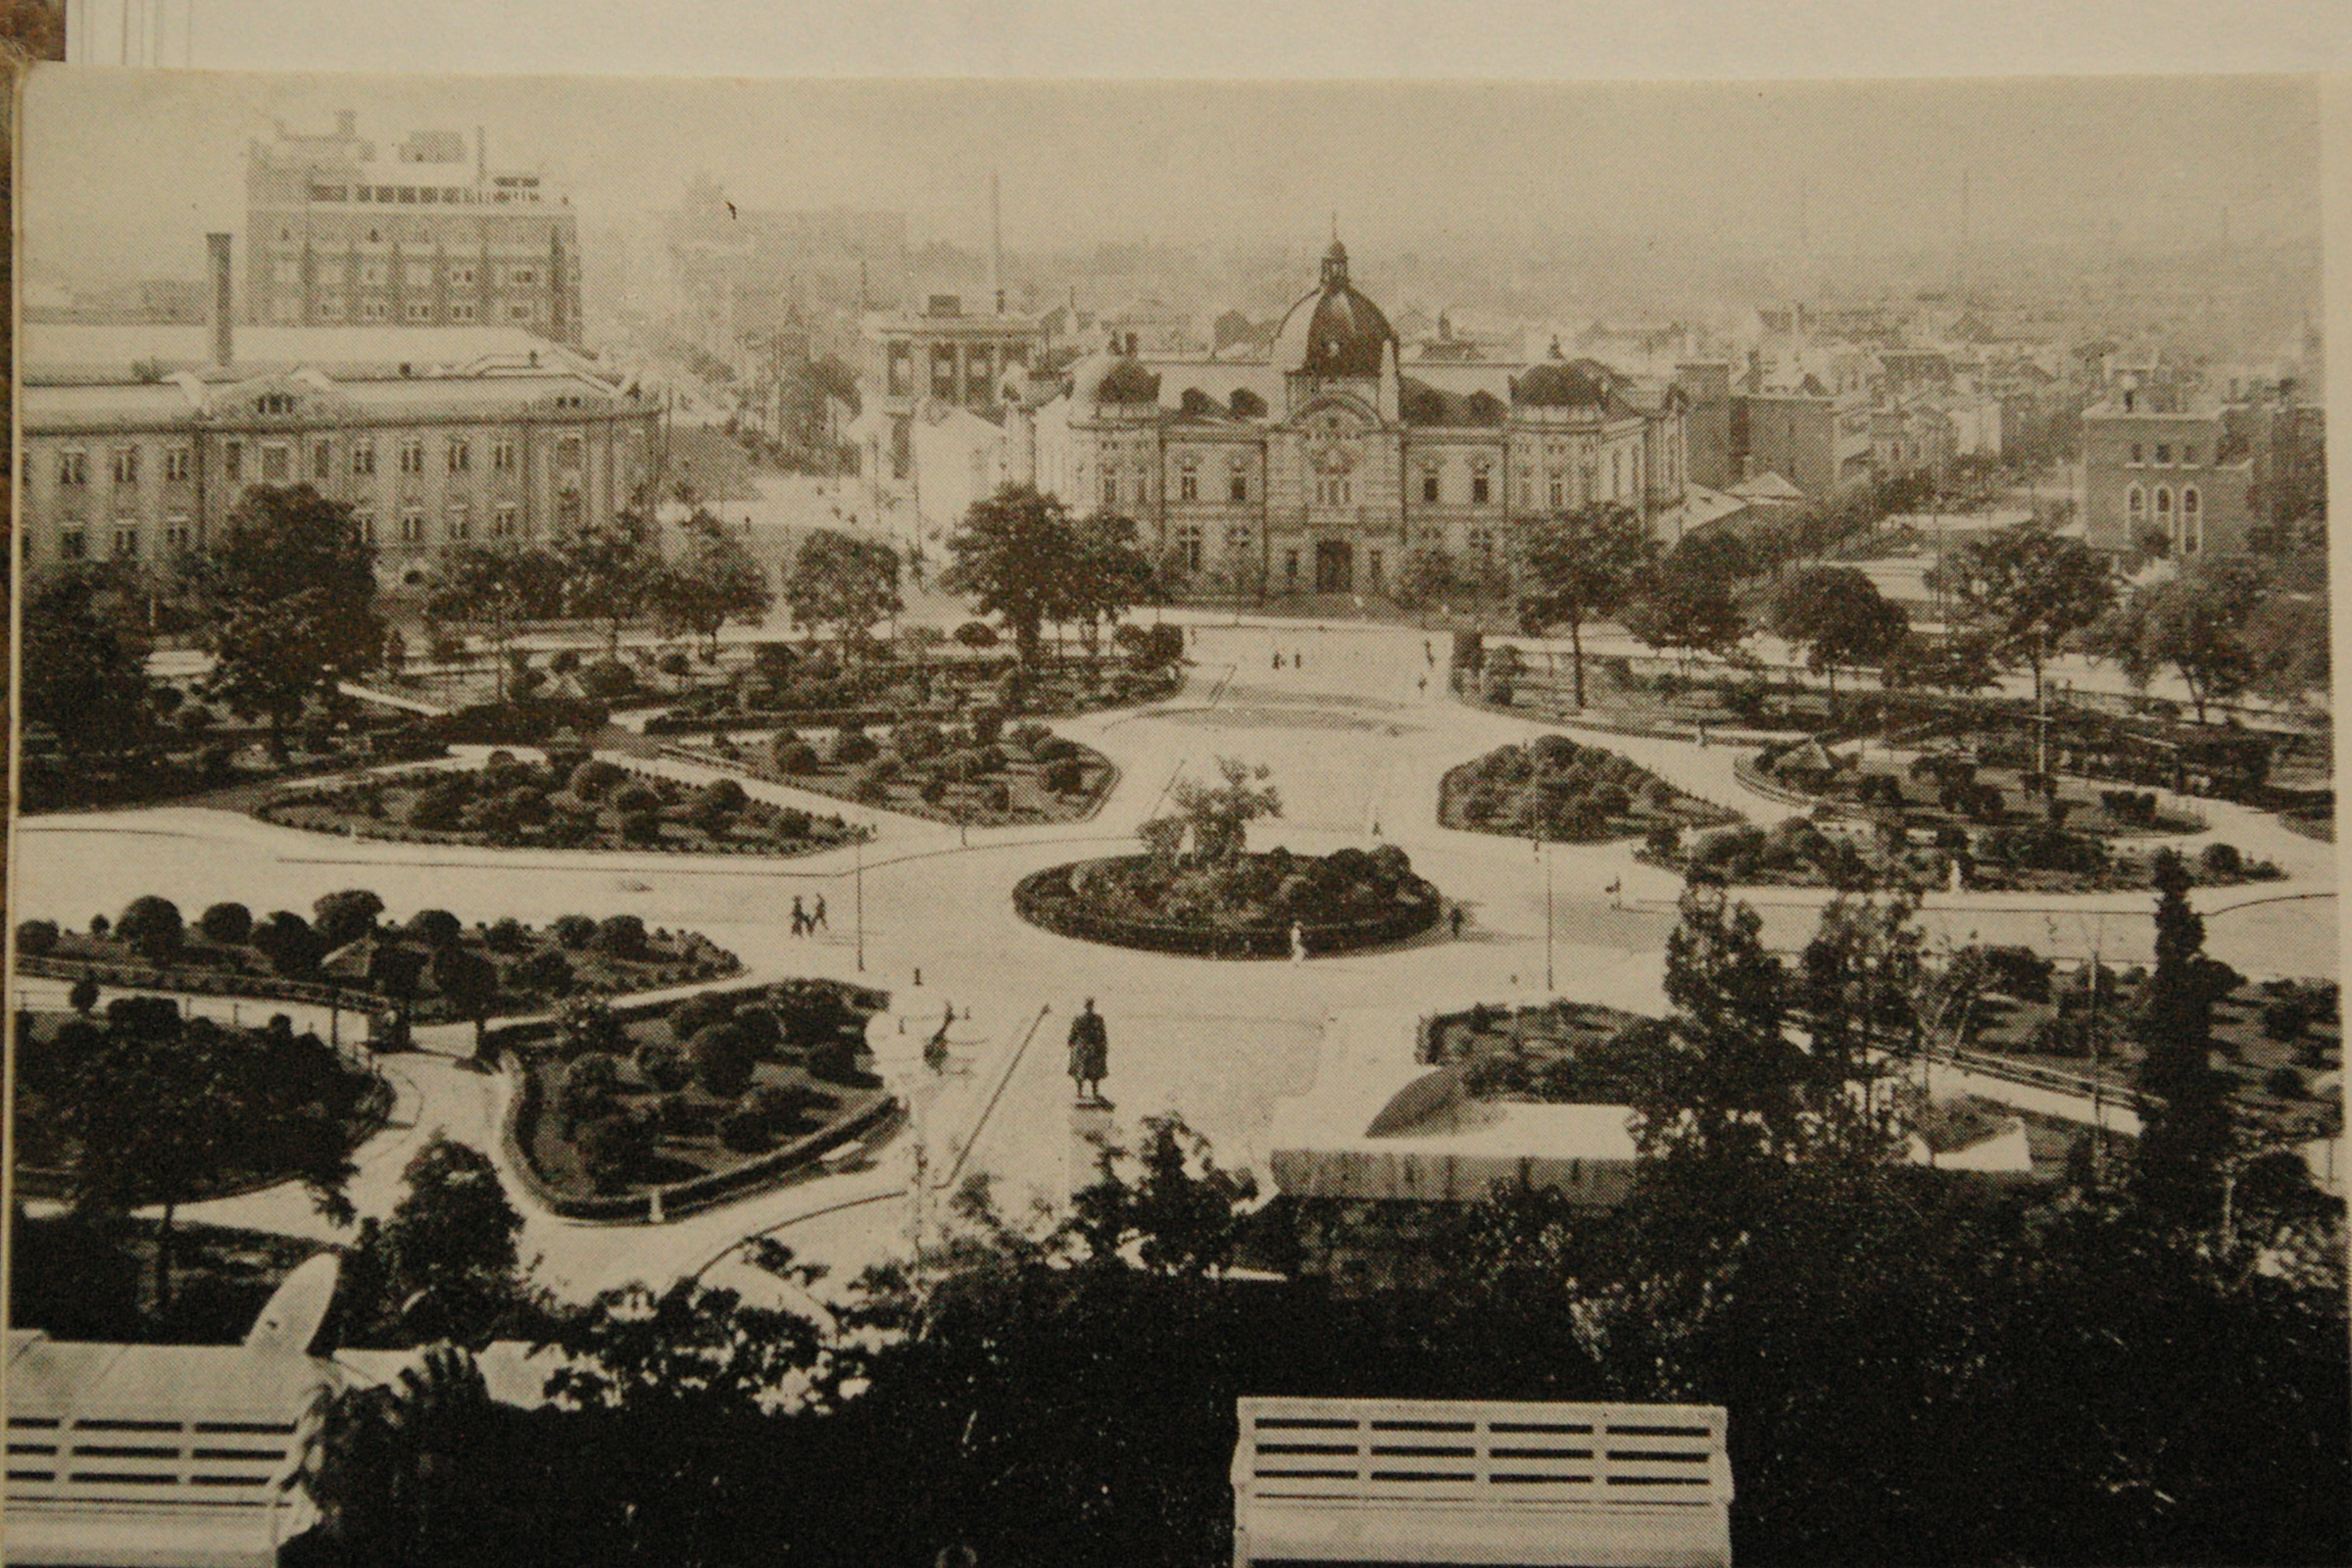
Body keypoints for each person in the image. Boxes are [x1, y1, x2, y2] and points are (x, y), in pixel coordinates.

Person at [1067, 998, 1109, 1102]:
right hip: (1092, 1046)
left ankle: (1080, 1093)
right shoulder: (1097, 1019)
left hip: (1082, 1046)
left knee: (1081, 1070)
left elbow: (1072, 1036)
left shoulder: (1079, 1019)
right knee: (1093, 1071)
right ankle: (1092, 1093)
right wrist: (1103, 1047)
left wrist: (1072, 1044)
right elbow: (1102, 1035)